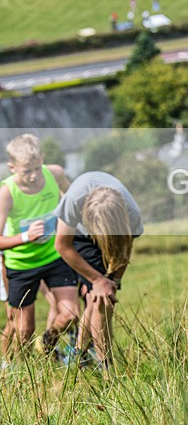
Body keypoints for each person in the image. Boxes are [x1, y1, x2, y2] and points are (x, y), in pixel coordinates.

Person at [54, 172, 143, 371]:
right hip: (79, 236)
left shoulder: (132, 214)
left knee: (99, 297)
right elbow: (62, 246)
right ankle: (106, 368)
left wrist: (114, 281)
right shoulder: (74, 201)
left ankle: (79, 354)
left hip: (115, 234)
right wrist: (97, 280)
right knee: (102, 300)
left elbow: (125, 249)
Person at [0, 134, 75, 358]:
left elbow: (74, 202)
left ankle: (47, 343)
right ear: (12, 167)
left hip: (55, 256)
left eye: (37, 168)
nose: (33, 176)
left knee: (70, 314)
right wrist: (26, 236)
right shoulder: (6, 193)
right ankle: (15, 367)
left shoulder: (56, 174)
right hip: (21, 264)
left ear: (42, 159)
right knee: (24, 330)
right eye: (26, 171)